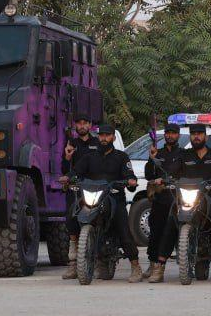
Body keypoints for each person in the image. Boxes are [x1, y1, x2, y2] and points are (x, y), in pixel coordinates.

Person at [68, 125, 141, 281]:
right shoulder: (89, 157)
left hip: (114, 198)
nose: (104, 138)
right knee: (72, 212)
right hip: (93, 198)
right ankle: (74, 261)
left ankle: (135, 266)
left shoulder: (121, 157)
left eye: (107, 135)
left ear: (113, 137)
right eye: (101, 135)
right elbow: (75, 172)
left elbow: (129, 175)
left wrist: (131, 181)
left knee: (123, 230)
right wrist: (68, 178)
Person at [166, 123, 211, 282]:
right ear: (190, 137)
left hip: (209, 197)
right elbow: (172, 171)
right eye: (193, 134)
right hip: (187, 197)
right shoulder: (184, 155)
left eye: (199, 134)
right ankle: (159, 265)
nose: (196, 136)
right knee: (170, 222)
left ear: (205, 137)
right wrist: (165, 178)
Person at [143, 123, 187, 283]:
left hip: (180, 199)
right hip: (161, 198)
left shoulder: (184, 154)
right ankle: (154, 264)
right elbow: (149, 175)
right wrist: (151, 158)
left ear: (178, 135)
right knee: (156, 231)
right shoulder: (158, 153)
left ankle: (187, 263)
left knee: (180, 231)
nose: (170, 135)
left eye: (173, 133)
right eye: (168, 133)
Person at [59, 114, 97, 279]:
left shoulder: (97, 143)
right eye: (79, 123)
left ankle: (99, 262)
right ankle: (73, 265)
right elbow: (64, 170)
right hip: (75, 188)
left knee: (97, 220)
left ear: (90, 125)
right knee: (72, 222)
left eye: (85, 123)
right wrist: (67, 157)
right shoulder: (71, 144)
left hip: (95, 188)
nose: (82, 126)